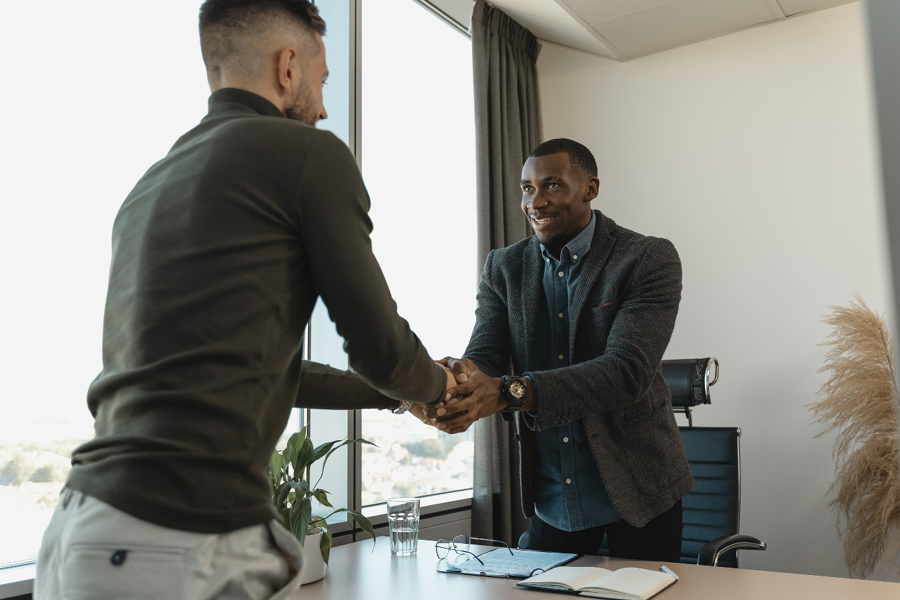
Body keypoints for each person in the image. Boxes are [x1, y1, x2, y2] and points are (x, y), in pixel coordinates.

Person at [34, 2, 452, 599]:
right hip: (176, 537)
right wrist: (441, 387)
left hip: (82, 528)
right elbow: (380, 347)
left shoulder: (151, 184)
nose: (325, 107)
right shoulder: (307, 154)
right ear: (288, 67)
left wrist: (399, 398)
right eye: (323, 80)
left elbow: (267, 372)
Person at [430, 139, 694, 561]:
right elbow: (486, 356)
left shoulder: (646, 258)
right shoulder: (503, 267)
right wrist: (449, 383)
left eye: (551, 185)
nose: (535, 202)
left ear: (590, 188)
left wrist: (511, 391)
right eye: (527, 188)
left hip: (639, 490)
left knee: (643, 592)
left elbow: (626, 371)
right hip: (554, 497)